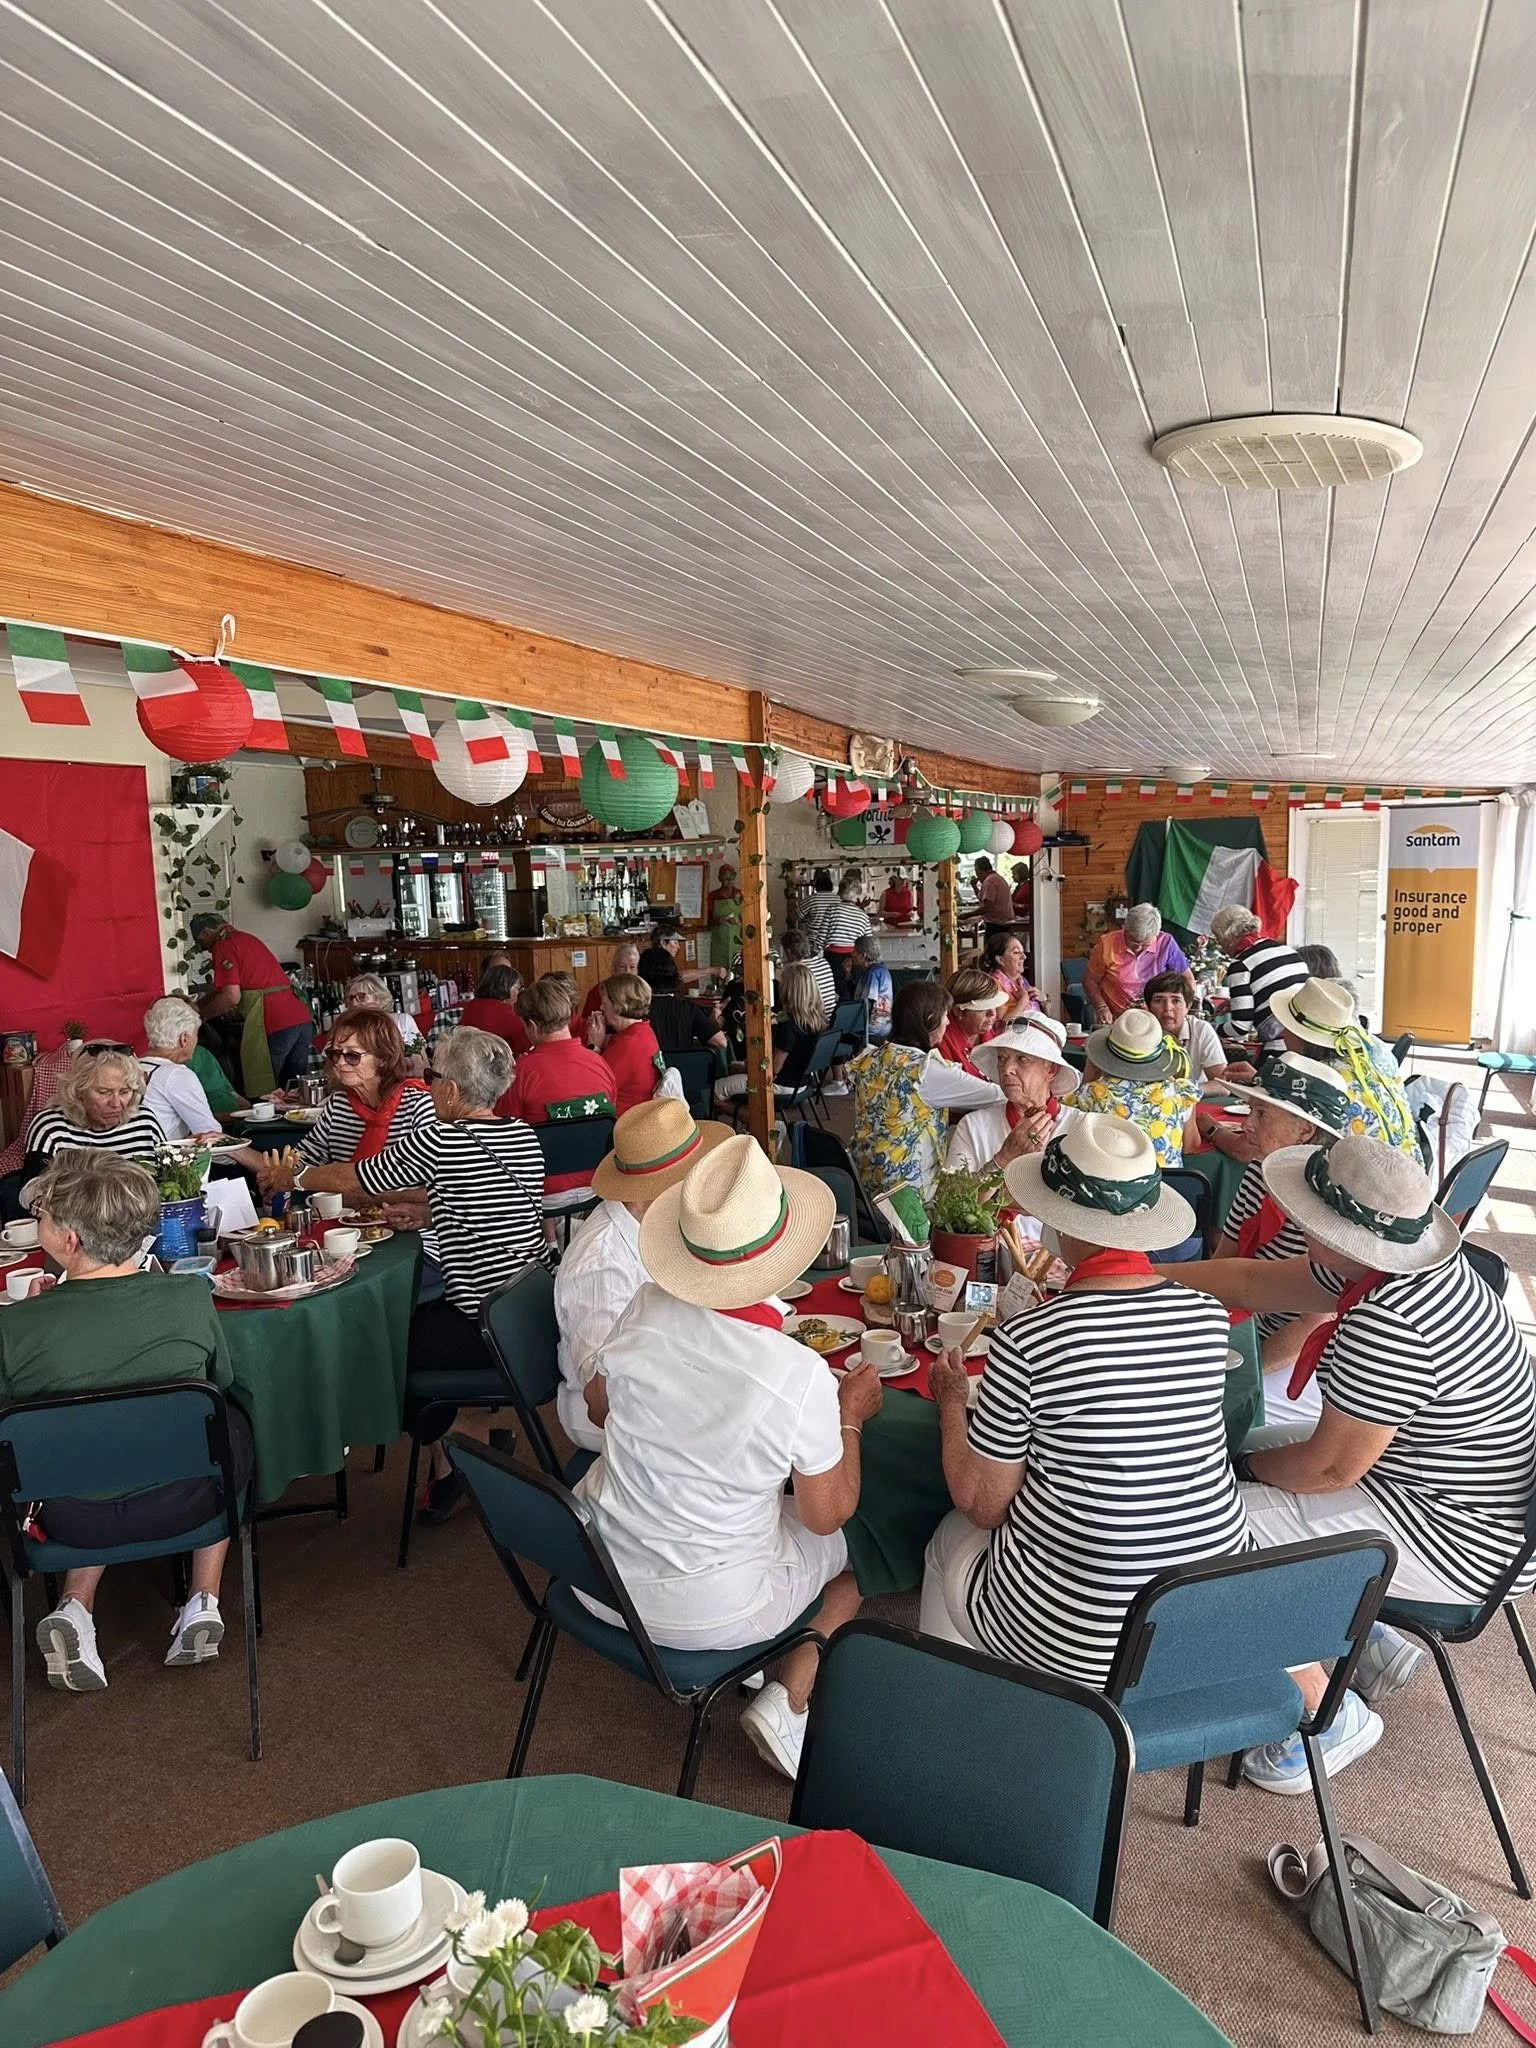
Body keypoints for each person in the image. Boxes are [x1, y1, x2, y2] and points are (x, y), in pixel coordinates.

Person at [1169, 1135, 1536, 1791]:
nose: (1299, 1221)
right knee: (1233, 1460)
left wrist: (1239, 1477)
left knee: (1200, 1524)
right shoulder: (1390, 1267)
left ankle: (1327, 1714)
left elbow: (1330, 1471)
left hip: (1461, 1542)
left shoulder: (1392, 1319)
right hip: (1450, 1493)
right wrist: (1137, 1279)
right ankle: (1359, 1634)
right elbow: (1252, 1281)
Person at [576, 1133, 882, 1779]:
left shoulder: (645, 1303)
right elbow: (827, 1515)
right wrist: (849, 1417)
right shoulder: (796, 1375)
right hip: (705, 1609)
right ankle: (787, 1694)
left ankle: (765, 1665)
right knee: (865, 1552)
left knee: (762, 1508)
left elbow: (599, 1409)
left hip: (593, 1570)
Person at [921, 1115, 1249, 1685]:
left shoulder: (1031, 1338)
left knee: (951, 1535)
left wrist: (952, 1402)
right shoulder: (1207, 1317)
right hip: (1200, 1615)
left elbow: (981, 1502)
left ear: (1062, 1220)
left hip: (1075, 1638)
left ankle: (952, 1704)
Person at [2, 1154, 252, 1691]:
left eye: (43, 1214)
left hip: (67, 1519)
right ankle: (204, 1598)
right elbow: (221, 1377)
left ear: (69, 1241)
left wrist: (37, 1318)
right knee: (226, 1421)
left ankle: (74, 1605)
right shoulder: (189, 1295)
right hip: (189, 1501)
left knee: (57, 1445)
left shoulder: (14, 1327)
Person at [287, 1027, 547, 1521]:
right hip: (526, 1311)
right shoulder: (522, 1135)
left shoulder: (442, 1138)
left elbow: (355, 1181)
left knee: (380, 1351)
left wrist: (292, 1177)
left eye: (432, 1077)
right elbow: (488, 1199)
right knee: (405, 1331)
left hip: (482, 1322)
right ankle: (473, 1446)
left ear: (451, 1089)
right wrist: (431, 1210)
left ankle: (465, 1458)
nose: (425, 1086)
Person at [554, 1100, 731, 1455]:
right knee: (752, 1426)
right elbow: (602, 1392)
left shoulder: (655, 1220)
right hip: (611, 1419)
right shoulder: (602, 1263)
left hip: (674, 1370)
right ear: (660, 1186)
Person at [1209, 1052, 1357, 1428]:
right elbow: (1222, 1263)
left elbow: (1315, 1322)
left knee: (1212, 1416)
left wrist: (1243, 1372)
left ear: (1305, 1131)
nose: (1247, 1125)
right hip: (1246, 1329)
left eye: (1261, 1114)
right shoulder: (1260, 1169)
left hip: (1309, 1359)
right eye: (1250, 1110)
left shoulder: (1330, 1204)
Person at [849, 981, 1004, 1201]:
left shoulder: (874, 1056)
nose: (948, 1021)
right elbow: (997, 1095)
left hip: (865, 1177)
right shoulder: (925, 1071)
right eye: (944, 1015)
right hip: (906, 1191)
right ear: (930, 1019)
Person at [1265, 977, 1419, 1158]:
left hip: (1357, 1180)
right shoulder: (1369, 1056)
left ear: (1302, 1037)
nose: (1282, 1033)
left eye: (1287, 1027)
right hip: (1408, 1173)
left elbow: (1275, 1140)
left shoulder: (1317, 1080)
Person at [502, 980, 617, 1192]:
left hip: (544, 1189)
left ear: (533, 1027)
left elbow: (507, 1133)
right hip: (601, 1180)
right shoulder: (599, 1062)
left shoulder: (521, 1072)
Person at [286, 1006, 435, 1168]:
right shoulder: (339, 1104)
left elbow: (426, 1183)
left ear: (383, 1058)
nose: (340, 1062)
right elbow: (304, 1159)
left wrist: (338, 1182)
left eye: (352, 1055)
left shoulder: (417, 1106)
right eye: (335, 1053)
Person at [191, 913, 314, 1094]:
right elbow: (222, 991)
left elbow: (231, 996)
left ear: (206, 933)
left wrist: (200, 1018)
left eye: (201, 942)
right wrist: (197, 1006)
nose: (205, 949)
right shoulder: (246, 938)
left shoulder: (224, 945)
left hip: (275, 1023)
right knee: (294, 1093)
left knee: (268, 1094)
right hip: (300, 1019)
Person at [944, 1016, 1078, 1181]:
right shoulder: (973, 1126)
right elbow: (951, 1203)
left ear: (1051, 1070)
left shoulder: (1079, 1129)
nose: (1007, 1069)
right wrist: (1003, 1159)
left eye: (1022, 1059)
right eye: (1001, 1058)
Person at [1066, 1008, 1201, 1168]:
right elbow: (1191, 1145)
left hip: (1109, 1188)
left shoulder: (1088, 1094)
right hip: (1166, 1188)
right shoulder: (1180, 1093)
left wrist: (1089, 1077)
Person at [23, 1046, 165, 1185]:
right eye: (104, 1092)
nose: (116, 1103)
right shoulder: (50, 1127)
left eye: (124, 1092)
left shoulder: (144, 1121)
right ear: (78, 1090)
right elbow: (31, 1193)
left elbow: (171, 1178)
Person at [1208, 906, 1308, 1046]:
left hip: (1281, 1044)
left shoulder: (1241, 964)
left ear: (1227, 936)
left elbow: (1240, 1027)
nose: (1220, 946)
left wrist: (1209, 1030)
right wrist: (1235, 1004)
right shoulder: (1288, 951)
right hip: (1307, 1037)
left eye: (1218, 939)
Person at [139, 997, 227, 1143]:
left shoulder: (133, 1067)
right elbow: (210, 1135)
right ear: (184, 1039)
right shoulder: (176, 1075)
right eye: (196, 1034)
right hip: (164, 1161)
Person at [1084, 904, 1192, 1023]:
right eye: (1133, 942)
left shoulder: (1166, 943)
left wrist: (1184, 1009)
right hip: (1117, 1019)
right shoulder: (1107, 944)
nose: (1138, 948)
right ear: (1125, 928)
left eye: (1145, 944)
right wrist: (1101, 1007)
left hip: (1156, 1019)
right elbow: (1090, 980)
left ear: (1156, 934)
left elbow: (1187, 979)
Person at [585, 973, 665, 1116]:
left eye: (605, 1002)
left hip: (624, 1125)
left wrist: (594, 1047)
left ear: (619, 1005)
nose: (602, 1007)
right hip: (641, 1116)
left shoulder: (629, 1042)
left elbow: (593, 1087)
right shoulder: (643, 1031)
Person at [637, 946, 728, 1057]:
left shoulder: (636, 1010)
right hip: (685, 1071)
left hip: (650, 1071)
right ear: (674, 974)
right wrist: (712, 1024)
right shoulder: (687, 1008)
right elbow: (721, 1042)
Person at [1142, 971, 1228, 1084]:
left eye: (1176, 1001)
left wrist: (1182, 1092)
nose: (1168, 1008)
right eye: (1159, 1001)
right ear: (1149, 1007)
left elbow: (1222, 1085)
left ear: (1188, 1006)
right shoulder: (1140, 1032)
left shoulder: (1201, 1030)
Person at [343, 974, 425, 1073]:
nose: (354, 1003)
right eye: (351, 998)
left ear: (378, 999)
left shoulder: (403, 1021)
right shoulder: (345, 1029)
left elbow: (421, 1061)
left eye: (361, 997)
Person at [937, 967, 1008, 1074]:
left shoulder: (986, 1032)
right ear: (958, 1011)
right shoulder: (941, 1043)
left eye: (993, 1006)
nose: (992, 1014)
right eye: (982, 1009)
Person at [460, 961, 531, 1055]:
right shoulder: (505, 1013)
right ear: (507, 988)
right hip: (496, 1065)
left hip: (468, 1061)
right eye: (518, 988)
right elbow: (525, 1046)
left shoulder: (471, 1006)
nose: (519, 993)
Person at [822, 872, 872, 999]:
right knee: (855, 993)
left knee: (835, 992)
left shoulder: (832, 910)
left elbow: (821, 937)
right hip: (855, 958)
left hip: (833, 958)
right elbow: (868, 942)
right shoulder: (862, 915)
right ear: (857, 895)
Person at [981, 929, 1047, 1022]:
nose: (1024, 956)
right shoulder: (993, 986)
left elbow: (1044, 1016)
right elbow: (1001, 1025)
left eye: (1023, 952)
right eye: (1016, 952)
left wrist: (1044, 1001)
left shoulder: (1021, 980)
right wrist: (1022, 1002)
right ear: (1000, 960)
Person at [778, 929, 837, 1028]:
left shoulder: (795, 971)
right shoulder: (823, 962)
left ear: (788, 952)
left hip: (812, 1026)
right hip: (829, 1022)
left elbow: (790, 1004)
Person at [851, 933, 893, 1041]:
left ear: (863, 956)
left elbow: (866, 1004)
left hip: (874, 1029)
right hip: (886, 1026)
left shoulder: (873, 973)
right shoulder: (880, 969)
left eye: (855, 950)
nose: (851, 953)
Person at [971, 855, 1014, 930]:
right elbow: (983, 898)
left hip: (997, 925)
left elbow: (987, 907)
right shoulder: (996, 878)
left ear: (979, 871)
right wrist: (974, 886)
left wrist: (968, 915)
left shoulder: (989, 882)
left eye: (976, 871)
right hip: (1003, 923)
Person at [802, 867, 838, 950]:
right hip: (832, 941)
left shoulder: (812, 899)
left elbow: (795, 916)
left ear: (816, 883)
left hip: (813, 941)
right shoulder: (838, 899)